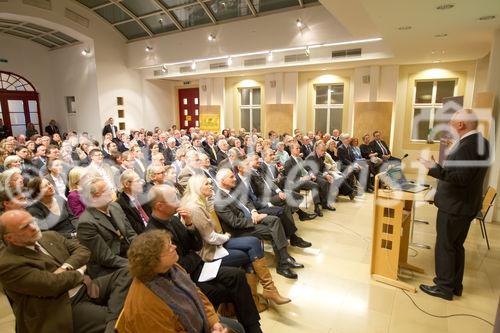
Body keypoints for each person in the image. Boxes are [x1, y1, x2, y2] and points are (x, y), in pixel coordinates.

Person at [146, 184, 263, 333]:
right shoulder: (153, 233)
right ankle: (247, 327)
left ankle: (253, 328)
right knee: (234, 290)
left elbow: (196, 246)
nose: (179, 201)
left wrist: (189, 224)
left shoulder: (174, 220)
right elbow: (179, 265)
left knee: (238, 275)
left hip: (200, 269)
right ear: (160, 206)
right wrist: (193, 256)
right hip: (185, 280)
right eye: (174, 199)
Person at [0, 210, 130, 333]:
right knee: (124, 317)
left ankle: (112, 318)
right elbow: (52, 285)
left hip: (85, 286)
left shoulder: (49, 236)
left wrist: (65, 267)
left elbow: (83, 251)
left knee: (129, 272)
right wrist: (79, 271)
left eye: (32, 221)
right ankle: (113, 318)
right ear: (10, 238)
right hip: (59, 306)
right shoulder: (8, 263)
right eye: (24, 227)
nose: (33, 227)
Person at [182, 174, 291, 308]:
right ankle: (254, 300)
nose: (211, 186)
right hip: (208, 252)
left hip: (215, 243)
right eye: (207, 184)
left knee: (254, 242)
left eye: (210, 183)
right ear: (197, 188)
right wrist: (226, 237)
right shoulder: (195, 208)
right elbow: (210, 237)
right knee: (249, 256)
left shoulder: (201, 202)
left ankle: (269, 289)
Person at [419, 109, 490, 301]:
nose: (450, 123)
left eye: (452, 120)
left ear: (461, 125)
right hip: (465, 204)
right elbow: (464, 170)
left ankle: (443, 287)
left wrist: (433, 168)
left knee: (445, 246)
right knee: (456, 246)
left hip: (455, 205)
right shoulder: (480, 142)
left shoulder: (467, 146)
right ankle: (454, 285)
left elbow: (460, 177)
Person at [118, 230, 243, 333]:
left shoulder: (171, 268)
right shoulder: (145, 306)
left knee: (238, 328)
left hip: (200, 322)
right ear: (153, 261)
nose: (174, 247)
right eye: (169, 248)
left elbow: (197, 294)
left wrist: (213, 321)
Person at [77, 178, 137, 278]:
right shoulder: (86, 223)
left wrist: (144, 251)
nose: (112, 192)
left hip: (128, 255)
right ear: (94, 197)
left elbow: (131, 235)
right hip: (108, 269)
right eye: (106, 190)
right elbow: (106, 258)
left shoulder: (115, 206)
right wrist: (136, 264)